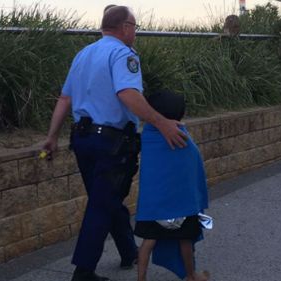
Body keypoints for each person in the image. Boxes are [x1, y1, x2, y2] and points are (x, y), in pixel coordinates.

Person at [42, 5, 188, 281]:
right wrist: (162, 122)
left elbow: (64, 99)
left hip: (82, 140)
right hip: (111, 143)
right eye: (134, 26)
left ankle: (127, 251)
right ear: (124, 27)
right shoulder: (123, 54)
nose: (135, 32)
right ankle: (83, 271)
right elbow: (127, 93)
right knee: (101, 204)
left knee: (105, 198)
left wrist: (51, 136)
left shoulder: (83, 54)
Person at [135, 90, 210, 281]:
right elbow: (193, 170)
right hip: (182, 205)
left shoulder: (148, 137)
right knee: (185, 240)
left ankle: (141, 278)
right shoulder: (182, 137)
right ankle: (191, 275)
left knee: (148, 242)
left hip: (154, 206)